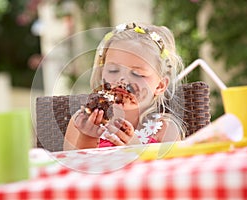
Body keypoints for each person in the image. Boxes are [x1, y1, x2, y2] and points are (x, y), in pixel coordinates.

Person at [63, 22, 186, 151]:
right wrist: (87, 137)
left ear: (160, 86)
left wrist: (138, 150)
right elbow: (71, 168)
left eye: (137, 74)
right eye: (113, 70)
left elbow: (172, 169)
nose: (122, 80)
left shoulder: (164, 129)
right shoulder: (80, 122)